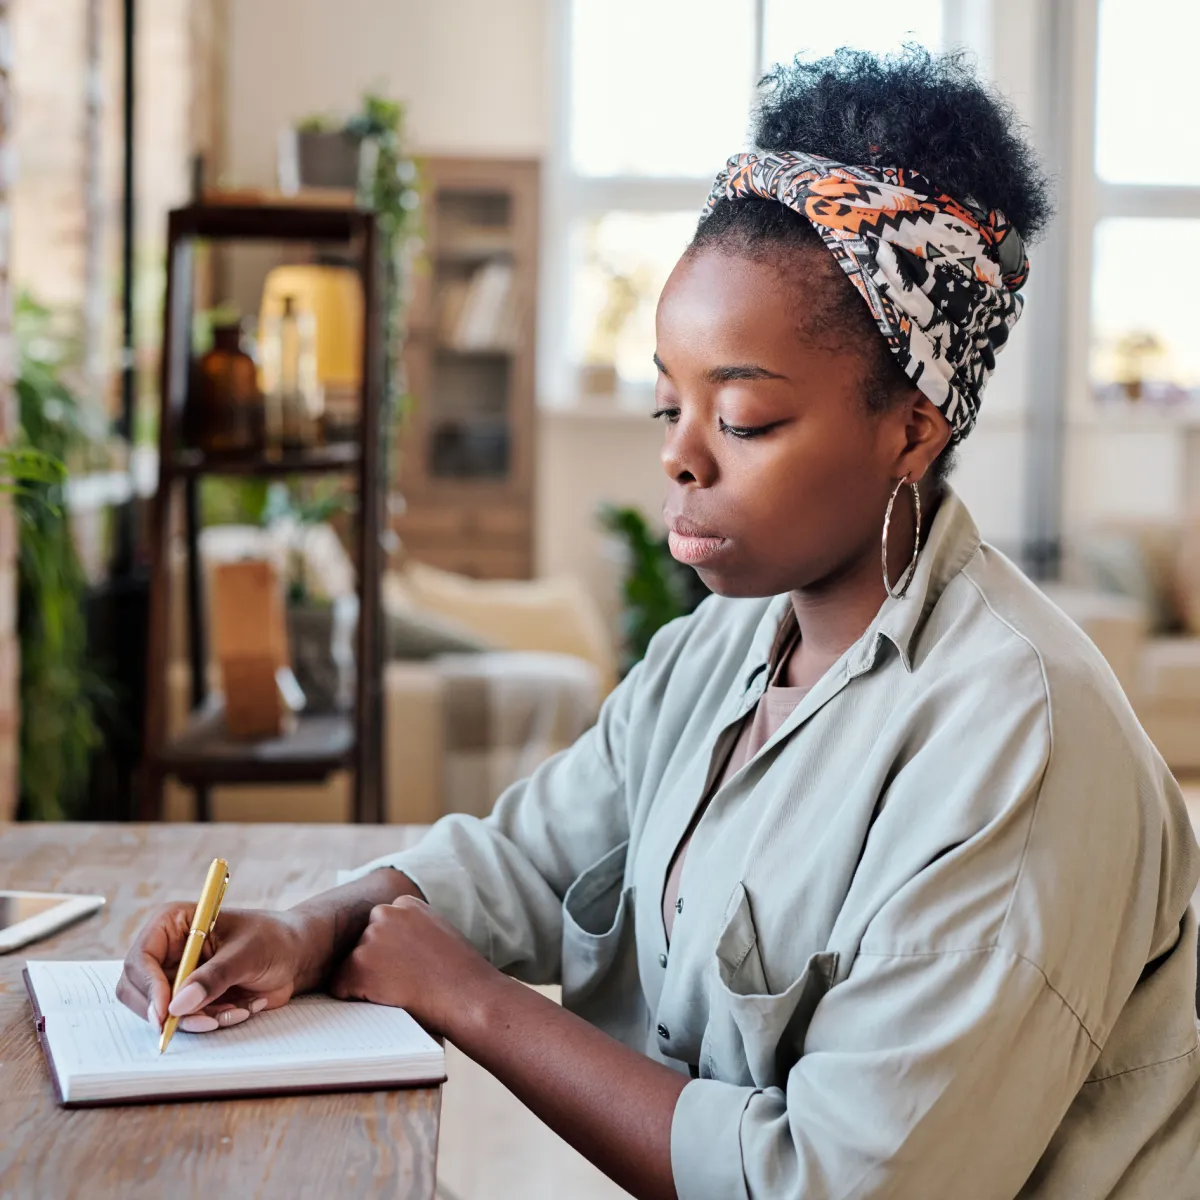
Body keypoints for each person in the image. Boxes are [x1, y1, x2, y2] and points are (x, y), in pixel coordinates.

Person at [120, 49, 1200, 1199]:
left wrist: (472, 1002)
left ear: (914, 431)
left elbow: (835, 1182)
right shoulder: (726, 648)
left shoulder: (1019, 746)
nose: (678, 455)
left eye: (741, 418)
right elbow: (533, 860)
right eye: (666, 402)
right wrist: (304, 929)